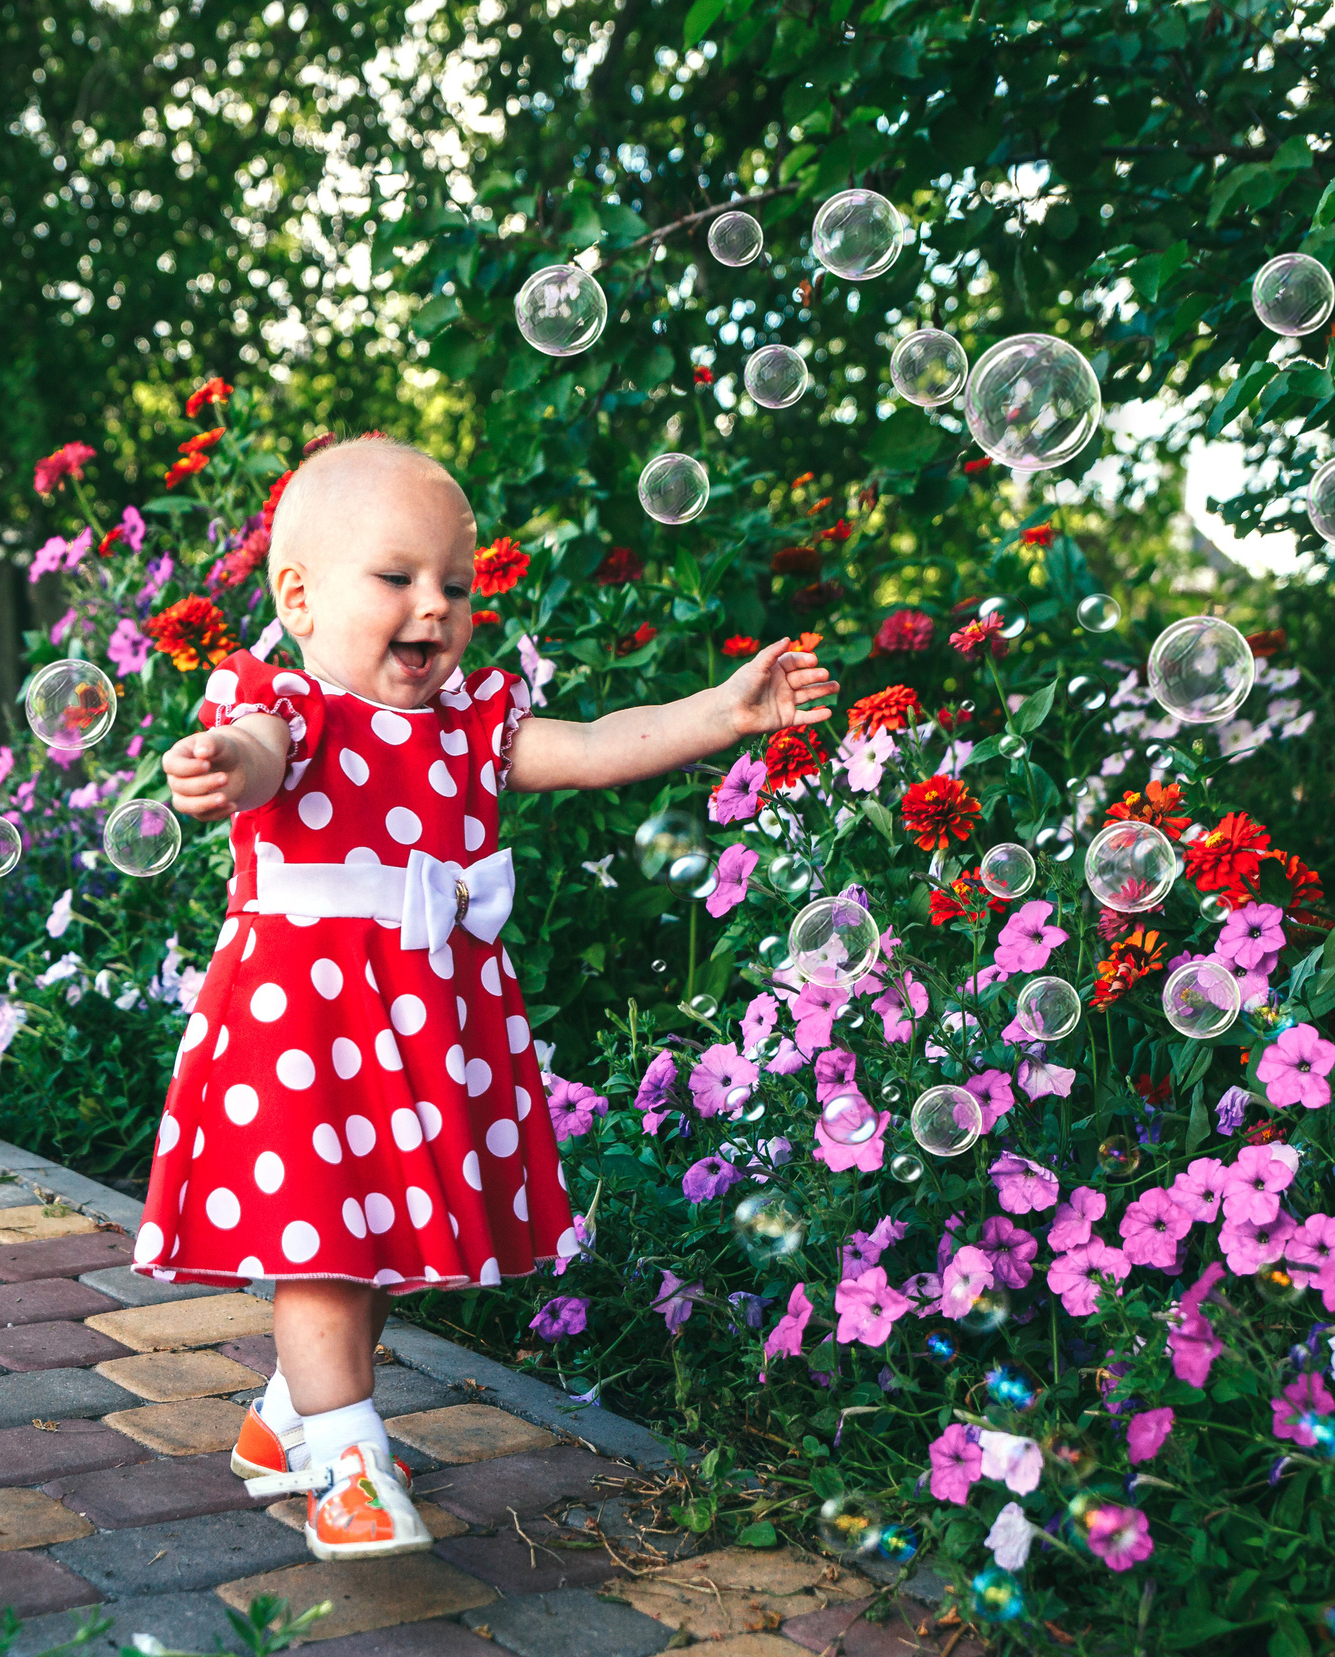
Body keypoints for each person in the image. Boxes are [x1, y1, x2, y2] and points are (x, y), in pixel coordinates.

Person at [146, 433, 835, 1559]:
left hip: (426, 1024)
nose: (435, 608)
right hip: (307, 1025)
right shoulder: (291, 707)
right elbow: (261, 752)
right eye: (398, 579)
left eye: (455, 587)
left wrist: (721, 713)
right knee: (325, 1243)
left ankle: (285, 1428)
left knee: (382, 1239)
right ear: (298, 598)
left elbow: (600, 741)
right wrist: (226, 762)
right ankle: (349, 1462)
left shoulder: (473, 722)